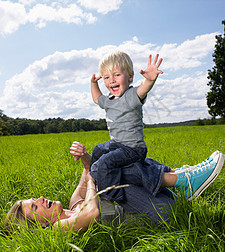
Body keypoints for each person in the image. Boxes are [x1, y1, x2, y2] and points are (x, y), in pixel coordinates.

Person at [4, 142, 225, 234]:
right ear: (39, 224)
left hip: (156, 198)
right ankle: (181, 180)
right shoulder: (57, 229)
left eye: (35, 198)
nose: (41, 198)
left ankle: (179, 178)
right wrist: (93, 185)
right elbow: (93, 211)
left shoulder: (74, 203)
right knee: (104, 173)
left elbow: (90, 170)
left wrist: (83, 156)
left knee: (100, 152)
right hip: (162, 214)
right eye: (34, 206)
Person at [90, 50, 163, 201]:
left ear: (130, 76)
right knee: (98, 150)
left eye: (116, 75)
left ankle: (110, 198)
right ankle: (95, 181)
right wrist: (93, 83)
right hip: (116, 145)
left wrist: (150, 80)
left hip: (133, 149)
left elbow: (143, 90)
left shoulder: (131, 96)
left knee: (105, 162)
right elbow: (97, 99)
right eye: (106, 77)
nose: (111, 80)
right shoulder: (109, 100)